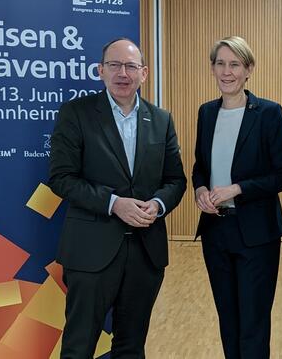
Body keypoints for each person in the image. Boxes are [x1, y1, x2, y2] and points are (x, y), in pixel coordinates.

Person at [49, 38, 187, 358]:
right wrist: (114, 203)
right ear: (101, 70)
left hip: (145, 254)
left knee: (131, 347)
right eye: (114, 65)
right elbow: (61, 178)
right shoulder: (76, 113)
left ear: (144, 73)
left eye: (130, 66)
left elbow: (175, 180)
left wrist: (158, 204)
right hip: (90, 253)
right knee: (79, 346)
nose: (122, 73)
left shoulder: (161, 119)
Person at [192, 36, 282, 359]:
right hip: (215, 232)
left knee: (253, 324)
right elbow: (200, 167)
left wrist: (238, 189)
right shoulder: (207, 113)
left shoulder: (268, 113)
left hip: (256, 234)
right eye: (220, 64)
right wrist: (200, 190)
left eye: (235, 64)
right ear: (212, 68)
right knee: (228, 320)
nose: (227, 72)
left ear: (248, 70)